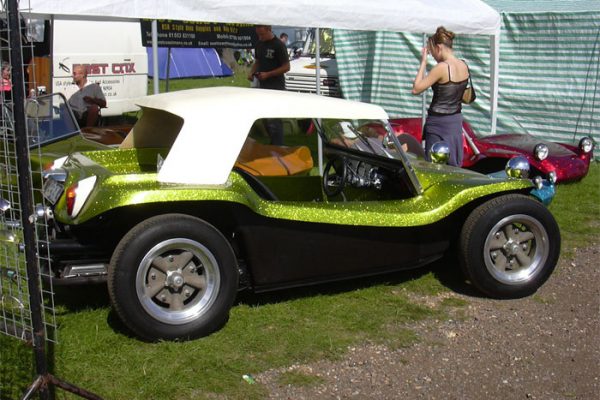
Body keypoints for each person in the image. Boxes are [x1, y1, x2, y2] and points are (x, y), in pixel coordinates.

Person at [412, 26, 469, 167]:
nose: (432, 56)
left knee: (435, 166)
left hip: (438, 123)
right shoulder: (464, 65)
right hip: (455, 121)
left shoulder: (441, 68)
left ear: (439, 48)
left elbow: (416, 89)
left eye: (431, 52)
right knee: (454, 165)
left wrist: (423, 62)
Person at [247, 25, 290, 145]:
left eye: (262, 34)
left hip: (276, 87)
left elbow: (286, 67)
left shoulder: (279, 45)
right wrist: (251, 72)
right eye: (258, 35)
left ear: (269, 29)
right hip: (262, 86)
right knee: (265, 117)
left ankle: (278, 145)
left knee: (274, 119)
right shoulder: (259, 44)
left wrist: (268, 74)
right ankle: (273, 143)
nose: (260, 37)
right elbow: (258, 61)